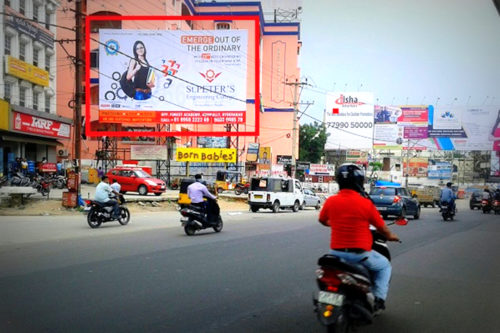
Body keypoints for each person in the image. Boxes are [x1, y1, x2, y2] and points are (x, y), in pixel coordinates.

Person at [318, 163, 400, 313]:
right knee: (384, 267)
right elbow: (381, 228)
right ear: (359, 182)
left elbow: (323, 220)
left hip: (336, 254)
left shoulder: (331, 201)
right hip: (360, 255)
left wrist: (337, 224)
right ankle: (379, 300)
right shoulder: (365, 203)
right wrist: (391, 236)